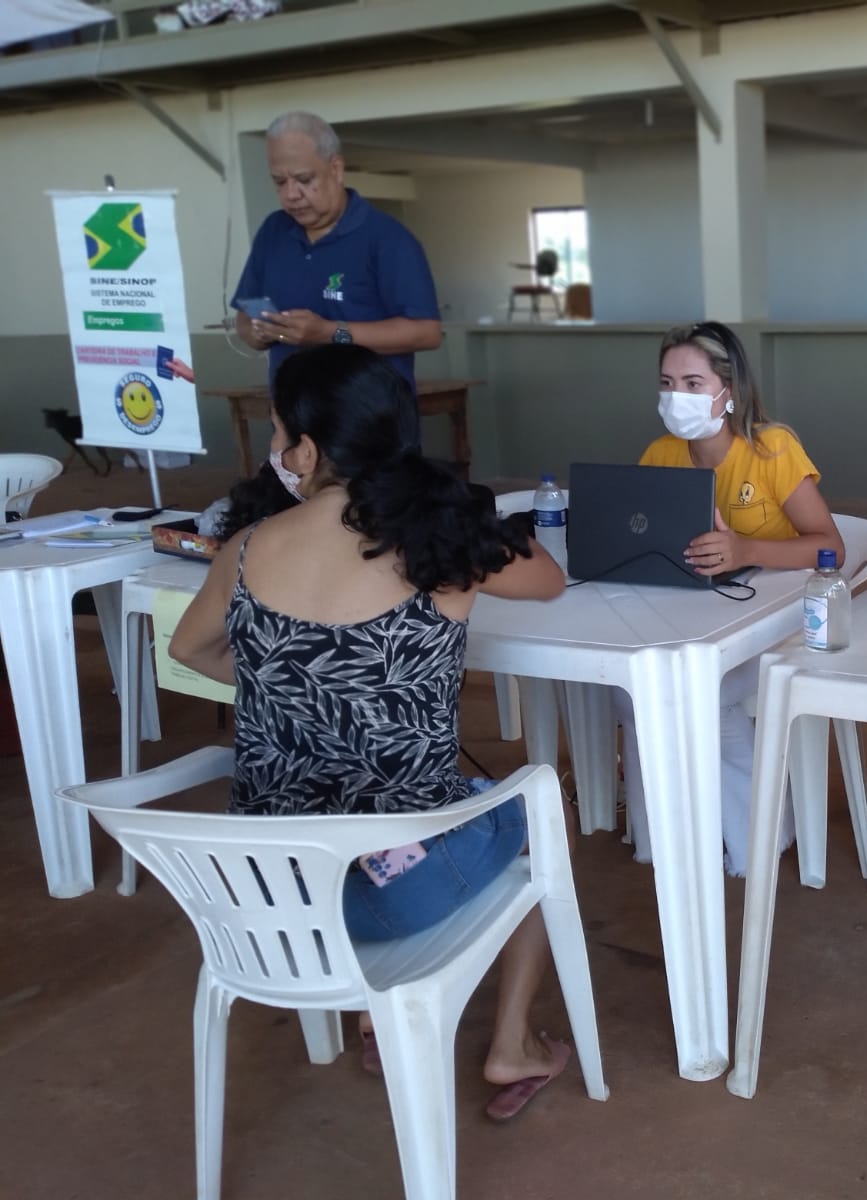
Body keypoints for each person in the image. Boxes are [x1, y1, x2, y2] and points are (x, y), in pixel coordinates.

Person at [170, 344, 572, 1124]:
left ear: (311, 451)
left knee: (436, 807)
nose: (280, 454)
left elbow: (189, 651)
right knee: (536, 818)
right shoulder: (439, 545)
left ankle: (368, 1019)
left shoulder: (248, 548)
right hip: (389, 896)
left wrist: (297, 689)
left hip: (267, 898)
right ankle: (512, 1044)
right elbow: (549, 581)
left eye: (284, 436)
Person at [615, 321, 844, 876]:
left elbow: (828, 546)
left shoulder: (771, 450)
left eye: (694, 383)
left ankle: (760, 837)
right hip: (690, 615)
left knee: (706, 695)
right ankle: (664, 833)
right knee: (631, 692)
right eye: (668, 383)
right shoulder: (661, 453)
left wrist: (744, 549)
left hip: (776, 620)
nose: (678, 397)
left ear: (728, 391)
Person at [231, 112, 441, 389]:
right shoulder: (273, 232)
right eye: (280, 182)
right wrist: (257, 333)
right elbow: (245, 317)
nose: (291, 194)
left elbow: (427, 334)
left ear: (336, 169)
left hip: (369, 419)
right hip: (293, 416)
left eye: (304, 179)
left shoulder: (387, 238)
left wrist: (331, 333)